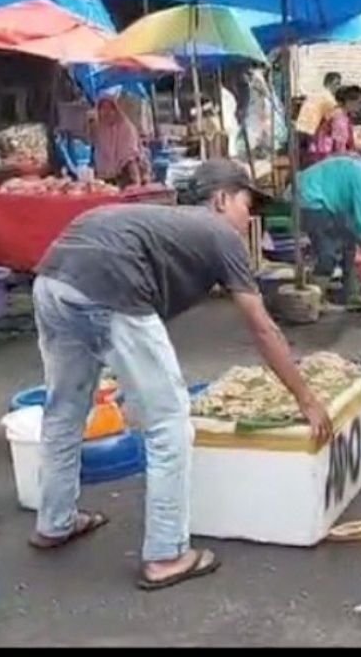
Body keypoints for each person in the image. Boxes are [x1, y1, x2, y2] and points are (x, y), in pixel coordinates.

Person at [30, 158, 333, 589]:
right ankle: (167, 554)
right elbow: (262, 328)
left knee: (64, 409)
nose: (251, 217)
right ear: (221, 198)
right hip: (106, 287)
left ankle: (54, 522)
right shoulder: (219, 233)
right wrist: (306, 398)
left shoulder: (164, 224)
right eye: (248, 203)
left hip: (52, 282)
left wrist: (128, 375)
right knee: (170, 422)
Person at [298, 154, 361, 308]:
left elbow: (354, 222)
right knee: (328, 251)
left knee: (348, 241)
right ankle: (314, 301)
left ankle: (351, 293)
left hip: (322, 199)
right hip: (310, 197)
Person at [89, 88, 148, 187]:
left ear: (116, 109)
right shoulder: (100, 130)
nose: (106, 112)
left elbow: (130, 158)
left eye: (110, 108)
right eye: (102, 108)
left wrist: (135, 183)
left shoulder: (126, 129)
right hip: (104, 181)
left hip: (126, 178)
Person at [295, 72, 342, 165]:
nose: (338, 87)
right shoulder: (329, 98)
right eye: (337, 84)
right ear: (330, 83)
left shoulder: (314, 94)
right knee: (313, 161)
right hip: (311, 131)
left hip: (299, 129)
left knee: (301, 160)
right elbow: (337, 118)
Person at [309, 85, 361, 164]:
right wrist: (352, 155)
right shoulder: (339, 118)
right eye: (360, 102)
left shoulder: (336, 112)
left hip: (321, 153)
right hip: (325, 156)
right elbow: (339, 147)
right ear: (350, 102)